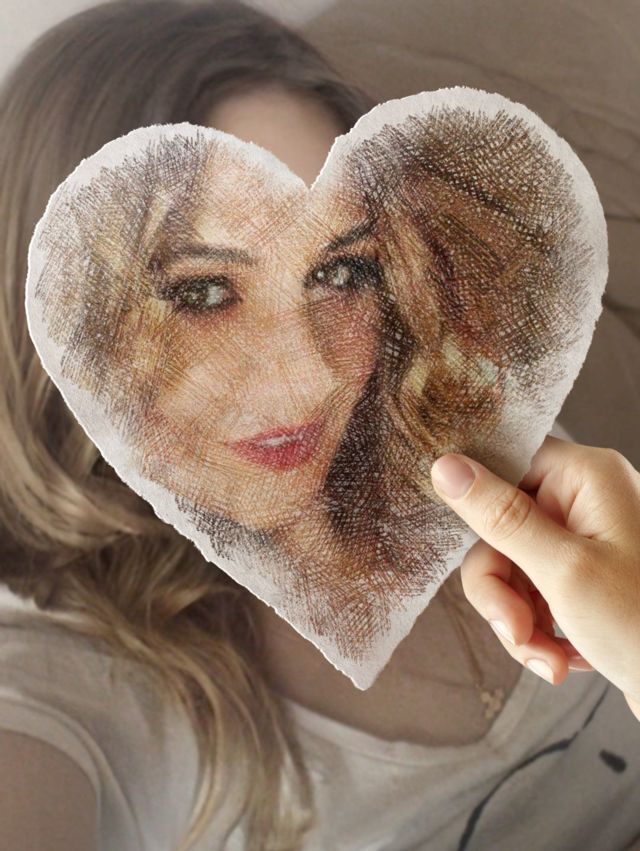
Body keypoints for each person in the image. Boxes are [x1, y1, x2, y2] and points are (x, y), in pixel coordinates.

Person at [0, 2, 639, 850]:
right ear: (62, 324)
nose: (310, 373)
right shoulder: (70, 698)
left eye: (340, 271)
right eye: (201, 292)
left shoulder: (484, 440)